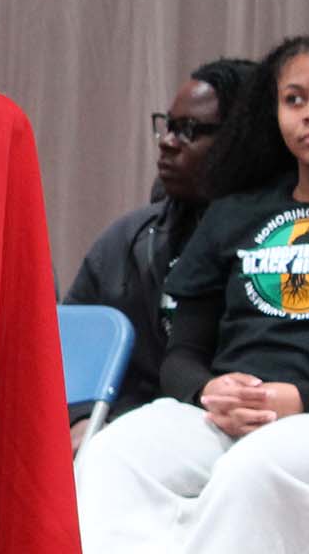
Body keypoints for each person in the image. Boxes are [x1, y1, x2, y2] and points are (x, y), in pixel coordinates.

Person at [75, 35, 309, 552]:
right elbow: (183, 353)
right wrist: (207, 391)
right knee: (116, 453)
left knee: (255, 471)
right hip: (223, 412)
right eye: (295, 99)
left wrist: (299, 399)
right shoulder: (233, 213)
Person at [63, 58, 255, 448]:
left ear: (241, 138)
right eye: (168, 126)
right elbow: (67, 354)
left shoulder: (278, 239)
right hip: (128, 431)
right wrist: (81, 419)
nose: (168, 141)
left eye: (188, 131)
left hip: (240, 429)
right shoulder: (127, 238)